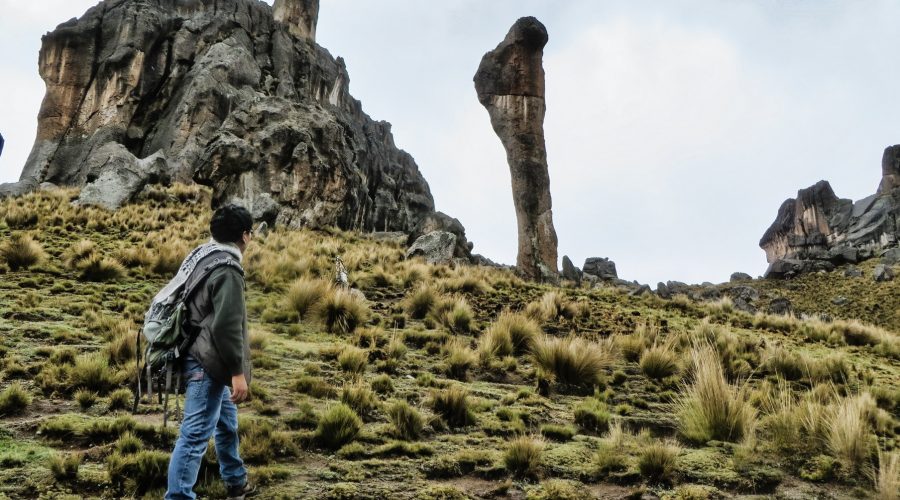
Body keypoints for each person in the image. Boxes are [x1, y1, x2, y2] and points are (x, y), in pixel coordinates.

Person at [165, 204, 256, 500]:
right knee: (194, 435)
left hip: (199, 353)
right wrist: (238, 373)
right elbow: (226, 327)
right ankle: (178, 496)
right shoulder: (228, 269)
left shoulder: (202, 256)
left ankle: (235, 481)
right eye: (250, 233)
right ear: (244, 235)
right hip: (209, 361)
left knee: (227, 423)